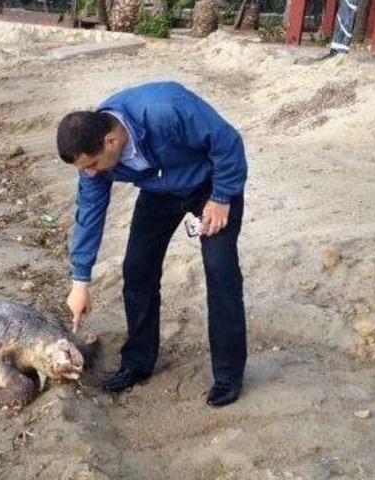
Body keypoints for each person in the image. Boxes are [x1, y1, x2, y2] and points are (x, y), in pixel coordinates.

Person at [56, 81, 248, 407]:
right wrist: (80, 280)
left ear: (111, 140)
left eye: (92, 165)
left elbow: (227, 142)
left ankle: (228, 377)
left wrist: (222, 197)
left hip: (210, 186)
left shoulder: (166, 108)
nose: (90, 174)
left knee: (221, 273)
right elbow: (89, 214)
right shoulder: (93, 158)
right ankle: (137, 363)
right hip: (159, 190)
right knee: (137, 269)